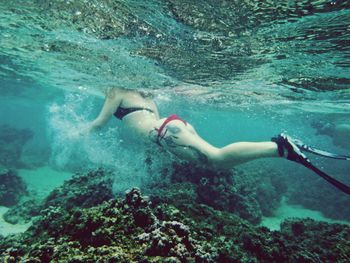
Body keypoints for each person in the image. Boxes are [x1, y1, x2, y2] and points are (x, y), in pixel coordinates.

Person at [84, 87, 304, 169]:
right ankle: (280, 148)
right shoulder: (146, 96)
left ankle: (278, 148)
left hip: (165, 131)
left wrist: (75, 132)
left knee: (217, 158)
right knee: (216, 160)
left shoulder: (115, 91)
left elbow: (98, 124)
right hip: (171, 126)